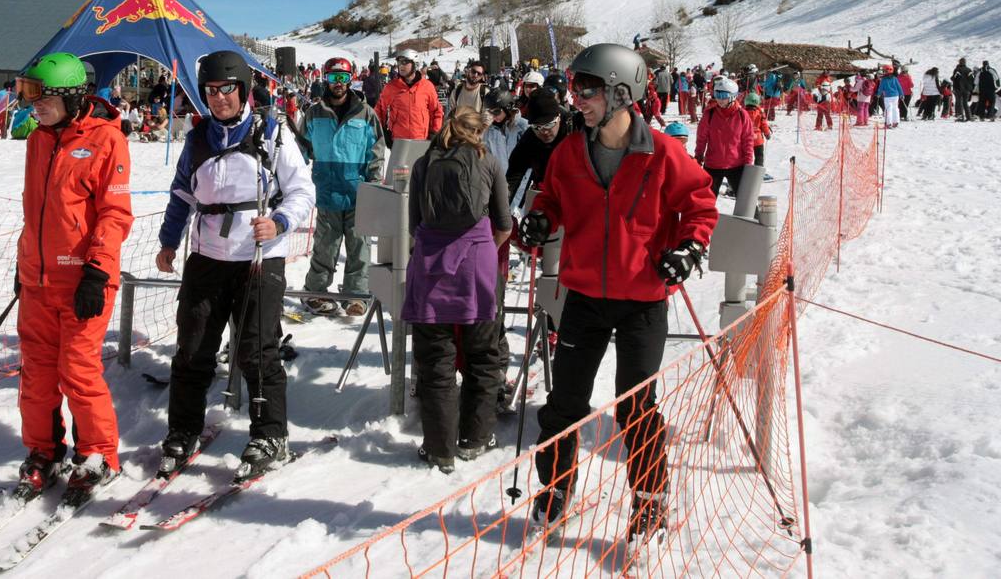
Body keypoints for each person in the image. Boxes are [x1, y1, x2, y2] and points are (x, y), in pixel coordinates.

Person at [517, 44, 717, 535]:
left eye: (586, 90)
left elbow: (700, 204)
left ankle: (649, 499)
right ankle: (556, 486)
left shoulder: (663, 153)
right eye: (574, 89)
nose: (576, 99)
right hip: (585, 296)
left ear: (620, 91)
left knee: (635, 406)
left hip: (642, 301)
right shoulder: (569, 150)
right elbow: (552, 194)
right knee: (564, 401)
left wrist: (689, 249)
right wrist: (543, 218)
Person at [155, 50, 315, 478]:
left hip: (259, 258)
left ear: (243, 90)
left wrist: (280, 221)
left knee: (256, 351)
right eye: (211, 91)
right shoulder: (199, 138)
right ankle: (183, 428)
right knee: (193, 347)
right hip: (207, 257)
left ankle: (270, 433)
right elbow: (182, 195)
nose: (219, 98)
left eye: (227, 89)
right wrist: (169, 242)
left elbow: (302, 191)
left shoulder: (273, 135)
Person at [13, 52, 134, 503]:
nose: (32, 104)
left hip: (85, 279)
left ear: (69, 95)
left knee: (78, 371)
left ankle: (99, 453)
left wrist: (98, 270)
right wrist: (23, 265)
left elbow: (115, 213)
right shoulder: (37, 141)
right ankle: (44, 451)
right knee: (37, 374)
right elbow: (34, 214)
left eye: (39, 95)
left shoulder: (106, 140)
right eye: (27, 93)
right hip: (37, 281)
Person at [406, 107, 513, 473]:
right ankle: (476, 438)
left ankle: (440, 449)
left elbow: (414, 223)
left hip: (430, 265)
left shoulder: (424, 163)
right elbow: (504, 222)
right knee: (483, 355)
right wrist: (484, 245)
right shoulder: (489, 162)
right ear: (478, 132)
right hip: (478, 268)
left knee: (435, 360)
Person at [297, 57, 386, 317]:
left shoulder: (365, 112)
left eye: (343, 78)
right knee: (325, 245)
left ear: (351, 79)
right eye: (334, 78)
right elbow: (302, 149)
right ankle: (315, 292)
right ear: (325, 78)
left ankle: (355, 296)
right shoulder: (315, 112)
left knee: (359, 246)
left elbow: (377, 149)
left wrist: (373, 182)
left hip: (358, 190)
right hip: (327, 189)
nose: (339, 83)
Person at [694, 76, 753, 196]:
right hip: (713, 164)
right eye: (717, 95)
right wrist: (698, 156)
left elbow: (748, 140)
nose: (720, 100)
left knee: (746, 201)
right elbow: (702, 138)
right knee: (706, 202)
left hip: (736, 164)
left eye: (723, 96)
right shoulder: (709, 114)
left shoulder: (742, 115)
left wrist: (748, 162)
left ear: (733, 96)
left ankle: (753, 216)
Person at [375, 53, 443, 145]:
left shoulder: (427, 86)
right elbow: (379, 110)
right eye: (399, 62)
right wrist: (382, 132)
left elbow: (436, 111)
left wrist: (434, 132)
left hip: (421, 141)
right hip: (398, 142)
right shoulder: (391, 87)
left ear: (415, 64)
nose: (401, 65)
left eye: (405, 62)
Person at [482, 89, 528, 174]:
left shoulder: (522, 127)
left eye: (496, 112)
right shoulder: (490, 130)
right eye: (489, 112)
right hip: (498, 181)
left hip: (517, 180)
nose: (492, 116)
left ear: (507, 108)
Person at [951, 58, 974, 122]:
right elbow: (972, 79)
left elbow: (953, 78)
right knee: (965, 103)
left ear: (959, 62)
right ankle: (969, 117)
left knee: (959, 102)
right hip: (967, 89)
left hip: (959, 88)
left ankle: (961, 117)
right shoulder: (969, 70)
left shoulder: (957, 70)